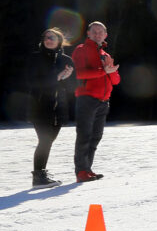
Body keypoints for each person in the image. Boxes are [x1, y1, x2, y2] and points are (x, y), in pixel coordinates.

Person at [71, 21, 120, 182]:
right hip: (87, 99)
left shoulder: (105, 55)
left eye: (101, 32)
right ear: (88, 34)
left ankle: (87, 169)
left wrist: (110, 72)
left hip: (103, 101)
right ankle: (81, 172)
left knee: (95, 137)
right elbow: (78, 74)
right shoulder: (81, 50)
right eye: (94, 31)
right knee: (84, 136)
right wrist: (103, 71)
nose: (98, 34)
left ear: (106, 35)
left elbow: (115, 80)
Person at [25, 28, 75, 188]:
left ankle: (41, 173)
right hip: (39, 106)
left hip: (59, 107)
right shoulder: (35, 58)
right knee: (45, 140)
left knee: (48, 141)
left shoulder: (67, 60)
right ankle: (38, 177)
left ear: (59, 41)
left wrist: (67, 77)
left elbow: (72, 86)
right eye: (46, 37)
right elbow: (33, 82)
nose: (49, 39)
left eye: (53, 37)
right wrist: (57, 77)